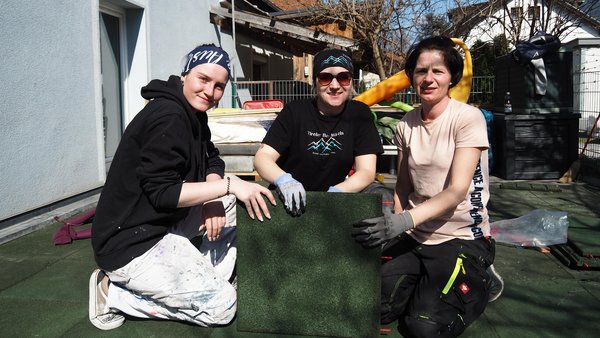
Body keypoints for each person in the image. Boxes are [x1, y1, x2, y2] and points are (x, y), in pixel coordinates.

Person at [89, 44, 276, 330]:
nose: (210, 92)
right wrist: (228, 185)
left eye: (218, 86)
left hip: (161, 224)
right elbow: (163, 194)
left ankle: (194, 275)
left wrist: (215, 194)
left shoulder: (193, 112)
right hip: (130, 243)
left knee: (232, 204)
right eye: (203, 79)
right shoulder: (169, 116)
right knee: (222, 307)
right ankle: (112, 295)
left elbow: (211, 157)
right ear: (184, 75)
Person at [352, 36, 503, 337]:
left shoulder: (467, 118)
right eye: (421, 71)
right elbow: (403, 185)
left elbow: (457, 190)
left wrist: (404, 220)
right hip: (416, 234)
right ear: (412, 78)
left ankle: (481, 280)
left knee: (423, 327)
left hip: (460, 236)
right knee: (368, 305)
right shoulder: (406, 124)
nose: (428, 79)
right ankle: (423, 282)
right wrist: (398, 227)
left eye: (438, 71)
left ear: (452, 77)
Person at [254, 48, 383, 215]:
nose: (335, 86)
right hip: (287, 202)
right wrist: (284, 180)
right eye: (325, 78)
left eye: (343, 77)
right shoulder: (295, 112)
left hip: (332, 206)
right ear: (315, 82)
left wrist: (336, 192)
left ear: (351, 82)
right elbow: (262, 158)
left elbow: (366, 171)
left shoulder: (359, 114)